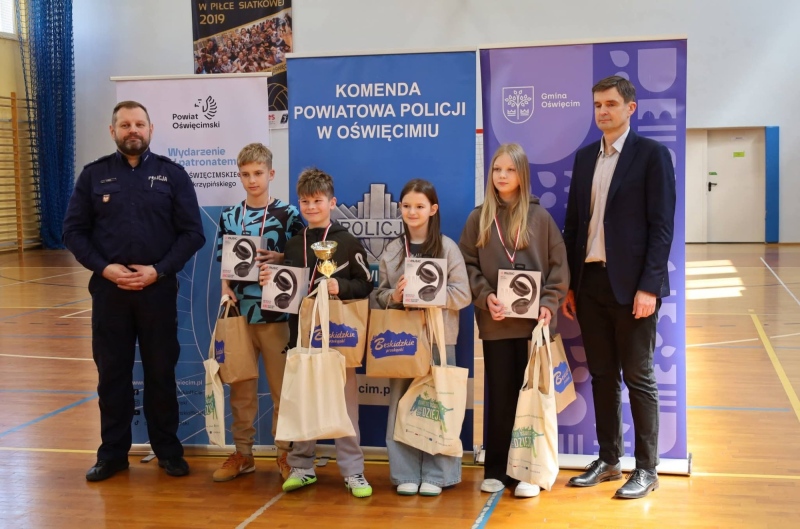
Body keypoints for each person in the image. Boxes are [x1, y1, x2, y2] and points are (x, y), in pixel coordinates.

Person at [63, 101, 205, 481]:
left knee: (161, 373)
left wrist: (158, 271)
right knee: (112, 376)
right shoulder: (93, 175)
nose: (133, 130)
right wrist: (105, 268)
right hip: (110, 294)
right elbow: (72, 232)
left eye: (139, 124)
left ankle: (168, 452)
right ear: (113, 131)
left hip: (157, 292)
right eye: (125, 125)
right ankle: (112, 455)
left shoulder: (172, 175)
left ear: (151, 129)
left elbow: (193, 233)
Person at [562, 75, 676, 499]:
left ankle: (646, 469)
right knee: (602, 376)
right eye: (597, 105)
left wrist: (650, 287)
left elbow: (661, 227)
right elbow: (574, 226)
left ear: (630, 108)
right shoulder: (584, 158)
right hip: (590, 283)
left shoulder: (652, 155)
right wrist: (570, 285)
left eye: (610, 104)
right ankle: (609, 459)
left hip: (634, 289)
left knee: (639, 377)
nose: (602, 111)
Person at [459, 143, 569, 498]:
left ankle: (530, 472)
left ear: (522, 175)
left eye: (509, 170)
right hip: (496, 323)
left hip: (533, 328)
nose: (502, 176)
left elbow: (559, 268)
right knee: (500, 397)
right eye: (497, 169)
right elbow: (467, 265)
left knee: (532, 400)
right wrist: (485, 297)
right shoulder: (479, 218)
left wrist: (549, 304)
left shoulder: (541, 218)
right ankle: (497, 469)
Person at [262, 167, 374, 498]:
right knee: (304, 403)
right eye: (305, 202)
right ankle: (302, 466)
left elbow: (366, 283)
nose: (311, 207)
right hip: (302, 336)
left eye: (318, 201)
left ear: (332, 202)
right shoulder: (294, 244)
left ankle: (353, 471)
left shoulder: (346, 241)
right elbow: (289, 291)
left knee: (345, 406)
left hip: (339, 338)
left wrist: (341, 286)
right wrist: (272, 284)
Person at [212, 143, 305, 483]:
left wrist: (280, 259)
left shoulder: (288, 214)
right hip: (240, 313)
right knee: (241, 387)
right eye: (246, 174)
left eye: (258, 173)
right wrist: (225, 289)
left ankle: (285, 455)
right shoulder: (229, 216)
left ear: (271, 174)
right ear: (239, 176)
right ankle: (243, 453)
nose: (252, 180)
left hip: (276, 314)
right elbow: (224, 259)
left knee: (282, 389)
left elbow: (302, 259)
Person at [374, 179, 471, 497]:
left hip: (440, 338)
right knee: (401, 404)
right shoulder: (392, 250)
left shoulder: (447, 247)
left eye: (419, 206)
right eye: (406, 206)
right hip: (402, 339)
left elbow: (464, 295)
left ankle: (438, 474)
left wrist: (431, 293)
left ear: (433, 209)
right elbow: (378, 295)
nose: (412, 212)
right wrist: (395, 295)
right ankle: (404, 473)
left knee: (438, 404)